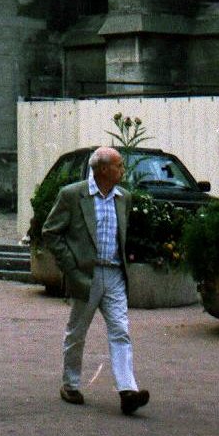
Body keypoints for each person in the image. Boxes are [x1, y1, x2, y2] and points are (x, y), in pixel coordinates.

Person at [40, 146, 149, 415]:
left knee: (120, 330)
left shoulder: (123, 198)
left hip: (114, 274)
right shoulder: (72, 195)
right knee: (77, 331)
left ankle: (127, 391)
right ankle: (70, 385)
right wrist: (71, 268)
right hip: (86, 276)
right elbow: (51, 232)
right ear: (102, 169)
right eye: (118, 165)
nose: (123, 170)